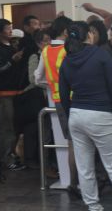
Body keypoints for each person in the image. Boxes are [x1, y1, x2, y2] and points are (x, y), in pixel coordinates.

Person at [59, 21, 112, 211]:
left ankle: (93, 207)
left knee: (85, 167)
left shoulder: (67, 60)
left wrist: (72, 113)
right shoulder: (101, 55)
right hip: (101, 115)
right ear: (89, 35)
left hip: (77, 116)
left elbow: (63, 94)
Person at [34, 16, 79, 192]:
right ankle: (79, 182)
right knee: (80, 143)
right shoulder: (69, 49)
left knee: (70, 142)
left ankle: (71, 182)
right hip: (76, 99)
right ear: (66, 31)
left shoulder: (46, 51)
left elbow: (37, 77)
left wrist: (50, 84)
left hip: (57, 100)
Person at [0, 18, 24, 170]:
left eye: (11, 28)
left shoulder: (12, 46)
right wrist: (12, 61)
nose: (10, 31)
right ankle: (5, 158)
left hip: (15, 92)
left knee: (14, 126)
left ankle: (12, 154)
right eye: (7, 28)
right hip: (3, 93)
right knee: (6, 127)